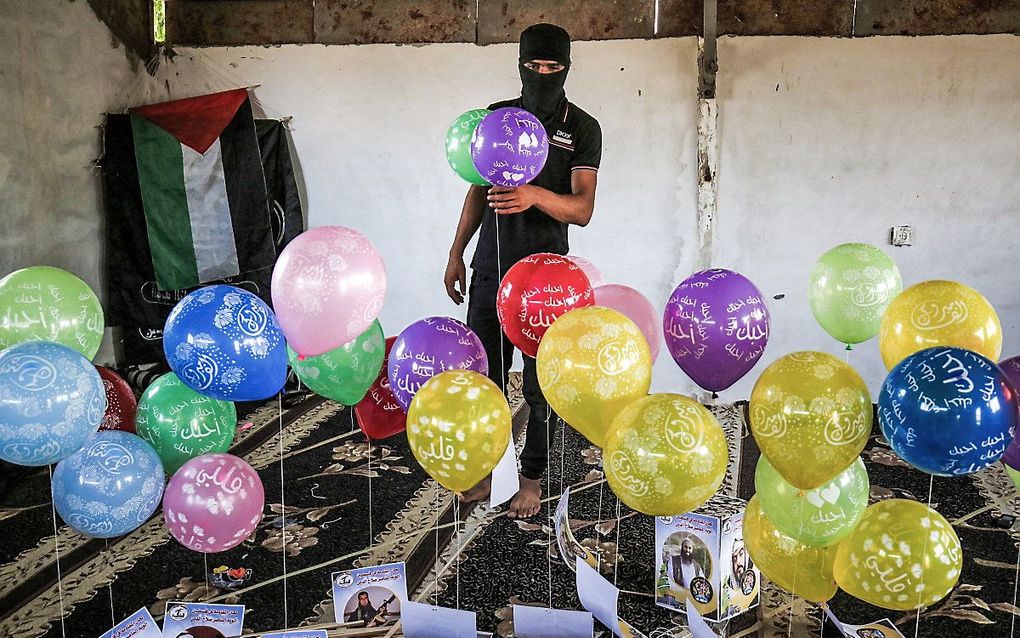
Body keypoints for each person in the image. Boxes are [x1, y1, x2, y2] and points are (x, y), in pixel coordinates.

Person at [444, 22, 602, 519]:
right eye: (533, 66)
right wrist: (455, 252)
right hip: (490, 267)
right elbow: (475, 190)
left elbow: (582, 209)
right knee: (486, 380)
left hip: (545, 282)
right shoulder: (497, 118)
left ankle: (530, 479)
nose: (542, 75)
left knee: (539, 387)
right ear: (519, 65)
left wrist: (534, 194)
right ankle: (490, 471)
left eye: (553, 67)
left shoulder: (582, 127)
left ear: (567, 69)